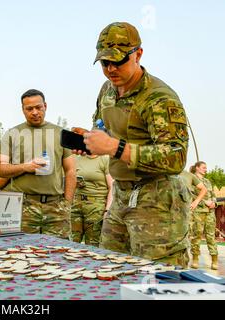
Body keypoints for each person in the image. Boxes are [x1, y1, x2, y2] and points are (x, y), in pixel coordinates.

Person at [73, 22, 190, 267]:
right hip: (122, 195)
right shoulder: (107, 90)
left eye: (119, 61)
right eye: (105, 63)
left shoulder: (159, 98)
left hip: (157, 200)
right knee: (109, 269)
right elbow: (102, 127)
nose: (111, 69)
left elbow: (176, 157)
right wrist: (90, 140)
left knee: (157, 278)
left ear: (138, 54)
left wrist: (115, 147)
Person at [0, 89, 75, 240]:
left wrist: (67, 203)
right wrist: (25, 167)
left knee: (59, 255)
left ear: (45, 106)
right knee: (20, 253)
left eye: (39, 107)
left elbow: (70, 171)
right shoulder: (12, 134)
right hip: (23, 207)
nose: (35, 112)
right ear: (22, 110)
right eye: (29, 109)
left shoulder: (62, 134)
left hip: (56, 208)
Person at [71, 155, 113, 247]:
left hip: (96, 206)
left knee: (93, 243)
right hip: (76, 204)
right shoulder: (76, 158)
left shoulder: (105, 159)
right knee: (71, 241)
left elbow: (112, 187)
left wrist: (107, 210)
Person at [189, 161, 219, 270]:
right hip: (198, 212)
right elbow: (191, 195)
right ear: (197, 168)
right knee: (196, 236)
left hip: (210, 213)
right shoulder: (192, 180)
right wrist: (204, 202)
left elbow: (213, 195)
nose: (205, 169)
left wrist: (214, 203)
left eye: (206, 168)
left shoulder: (207, 181)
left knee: (211, 236)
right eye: (203, 167)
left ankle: (214, 260)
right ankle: (195, 259)